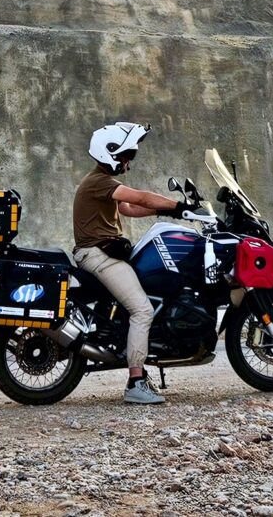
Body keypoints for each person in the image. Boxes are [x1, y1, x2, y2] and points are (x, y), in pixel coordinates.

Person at [73, 122, 184, 405]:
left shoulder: (101, 183)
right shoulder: (100, 181)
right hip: (97, 255)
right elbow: (139, 196)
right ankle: (136, 381)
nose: (128, 162)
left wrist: (168, 212)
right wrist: (178, 205)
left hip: (102, 253)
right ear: (110, 153)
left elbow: (131, 208)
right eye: (127, 156)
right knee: (142, 309)